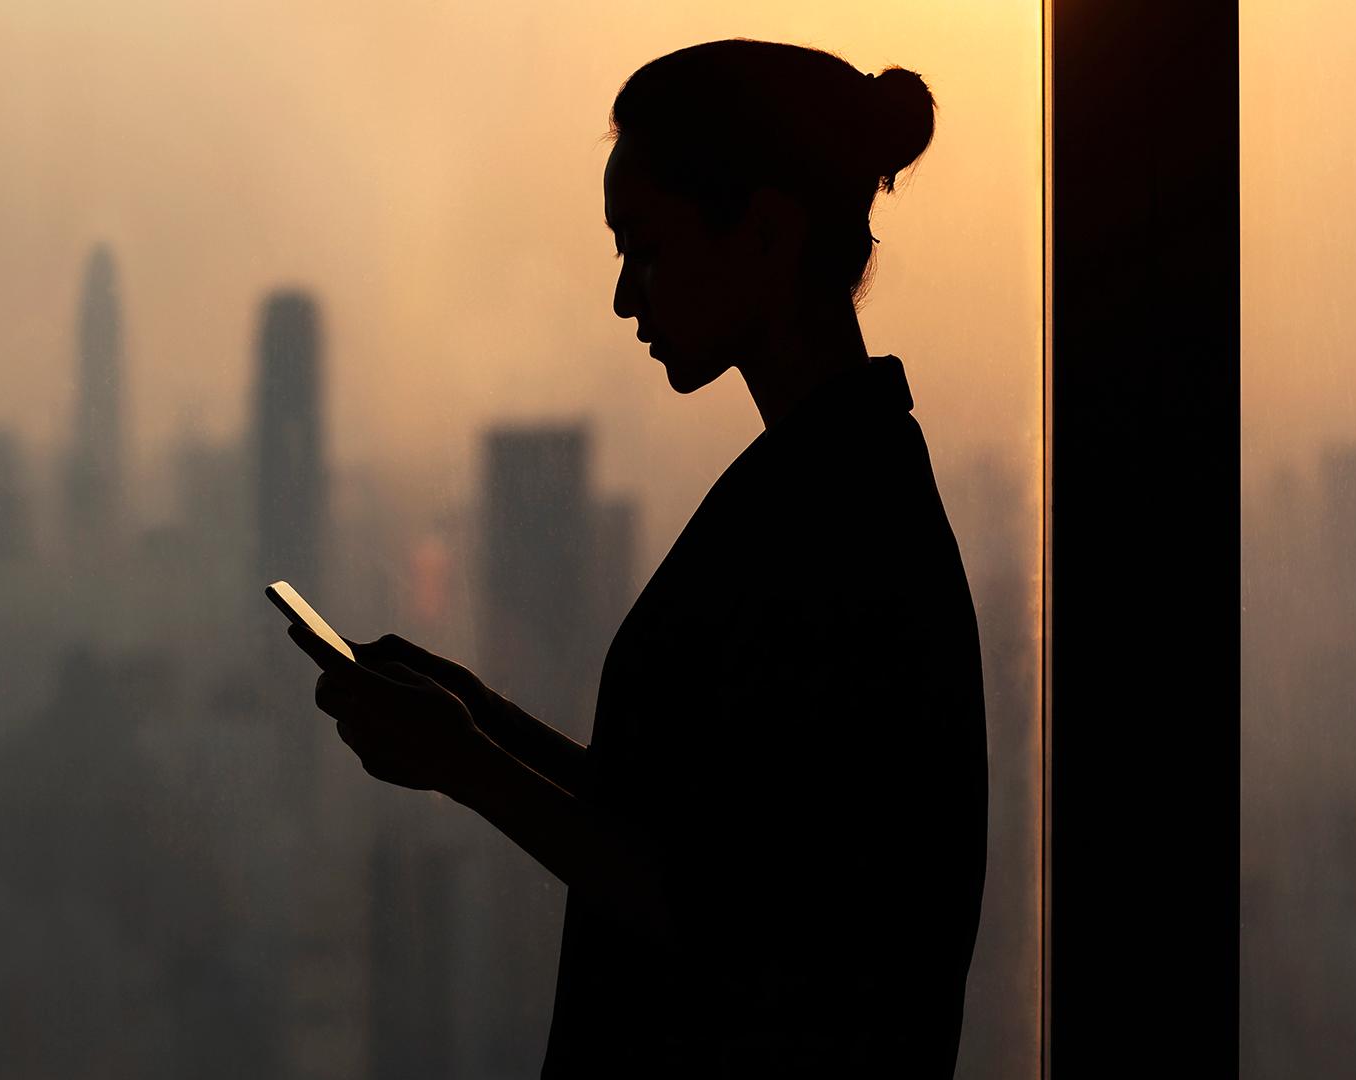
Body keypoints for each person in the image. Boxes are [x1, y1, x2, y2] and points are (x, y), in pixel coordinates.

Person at [287, 38, 988, 1076]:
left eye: (647, 248)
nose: (626, 296)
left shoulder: (832, 523)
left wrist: (468, 762)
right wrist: (480, 720)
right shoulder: (829, 483)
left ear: (764, 234)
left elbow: (728, 916)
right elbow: (696, 836)